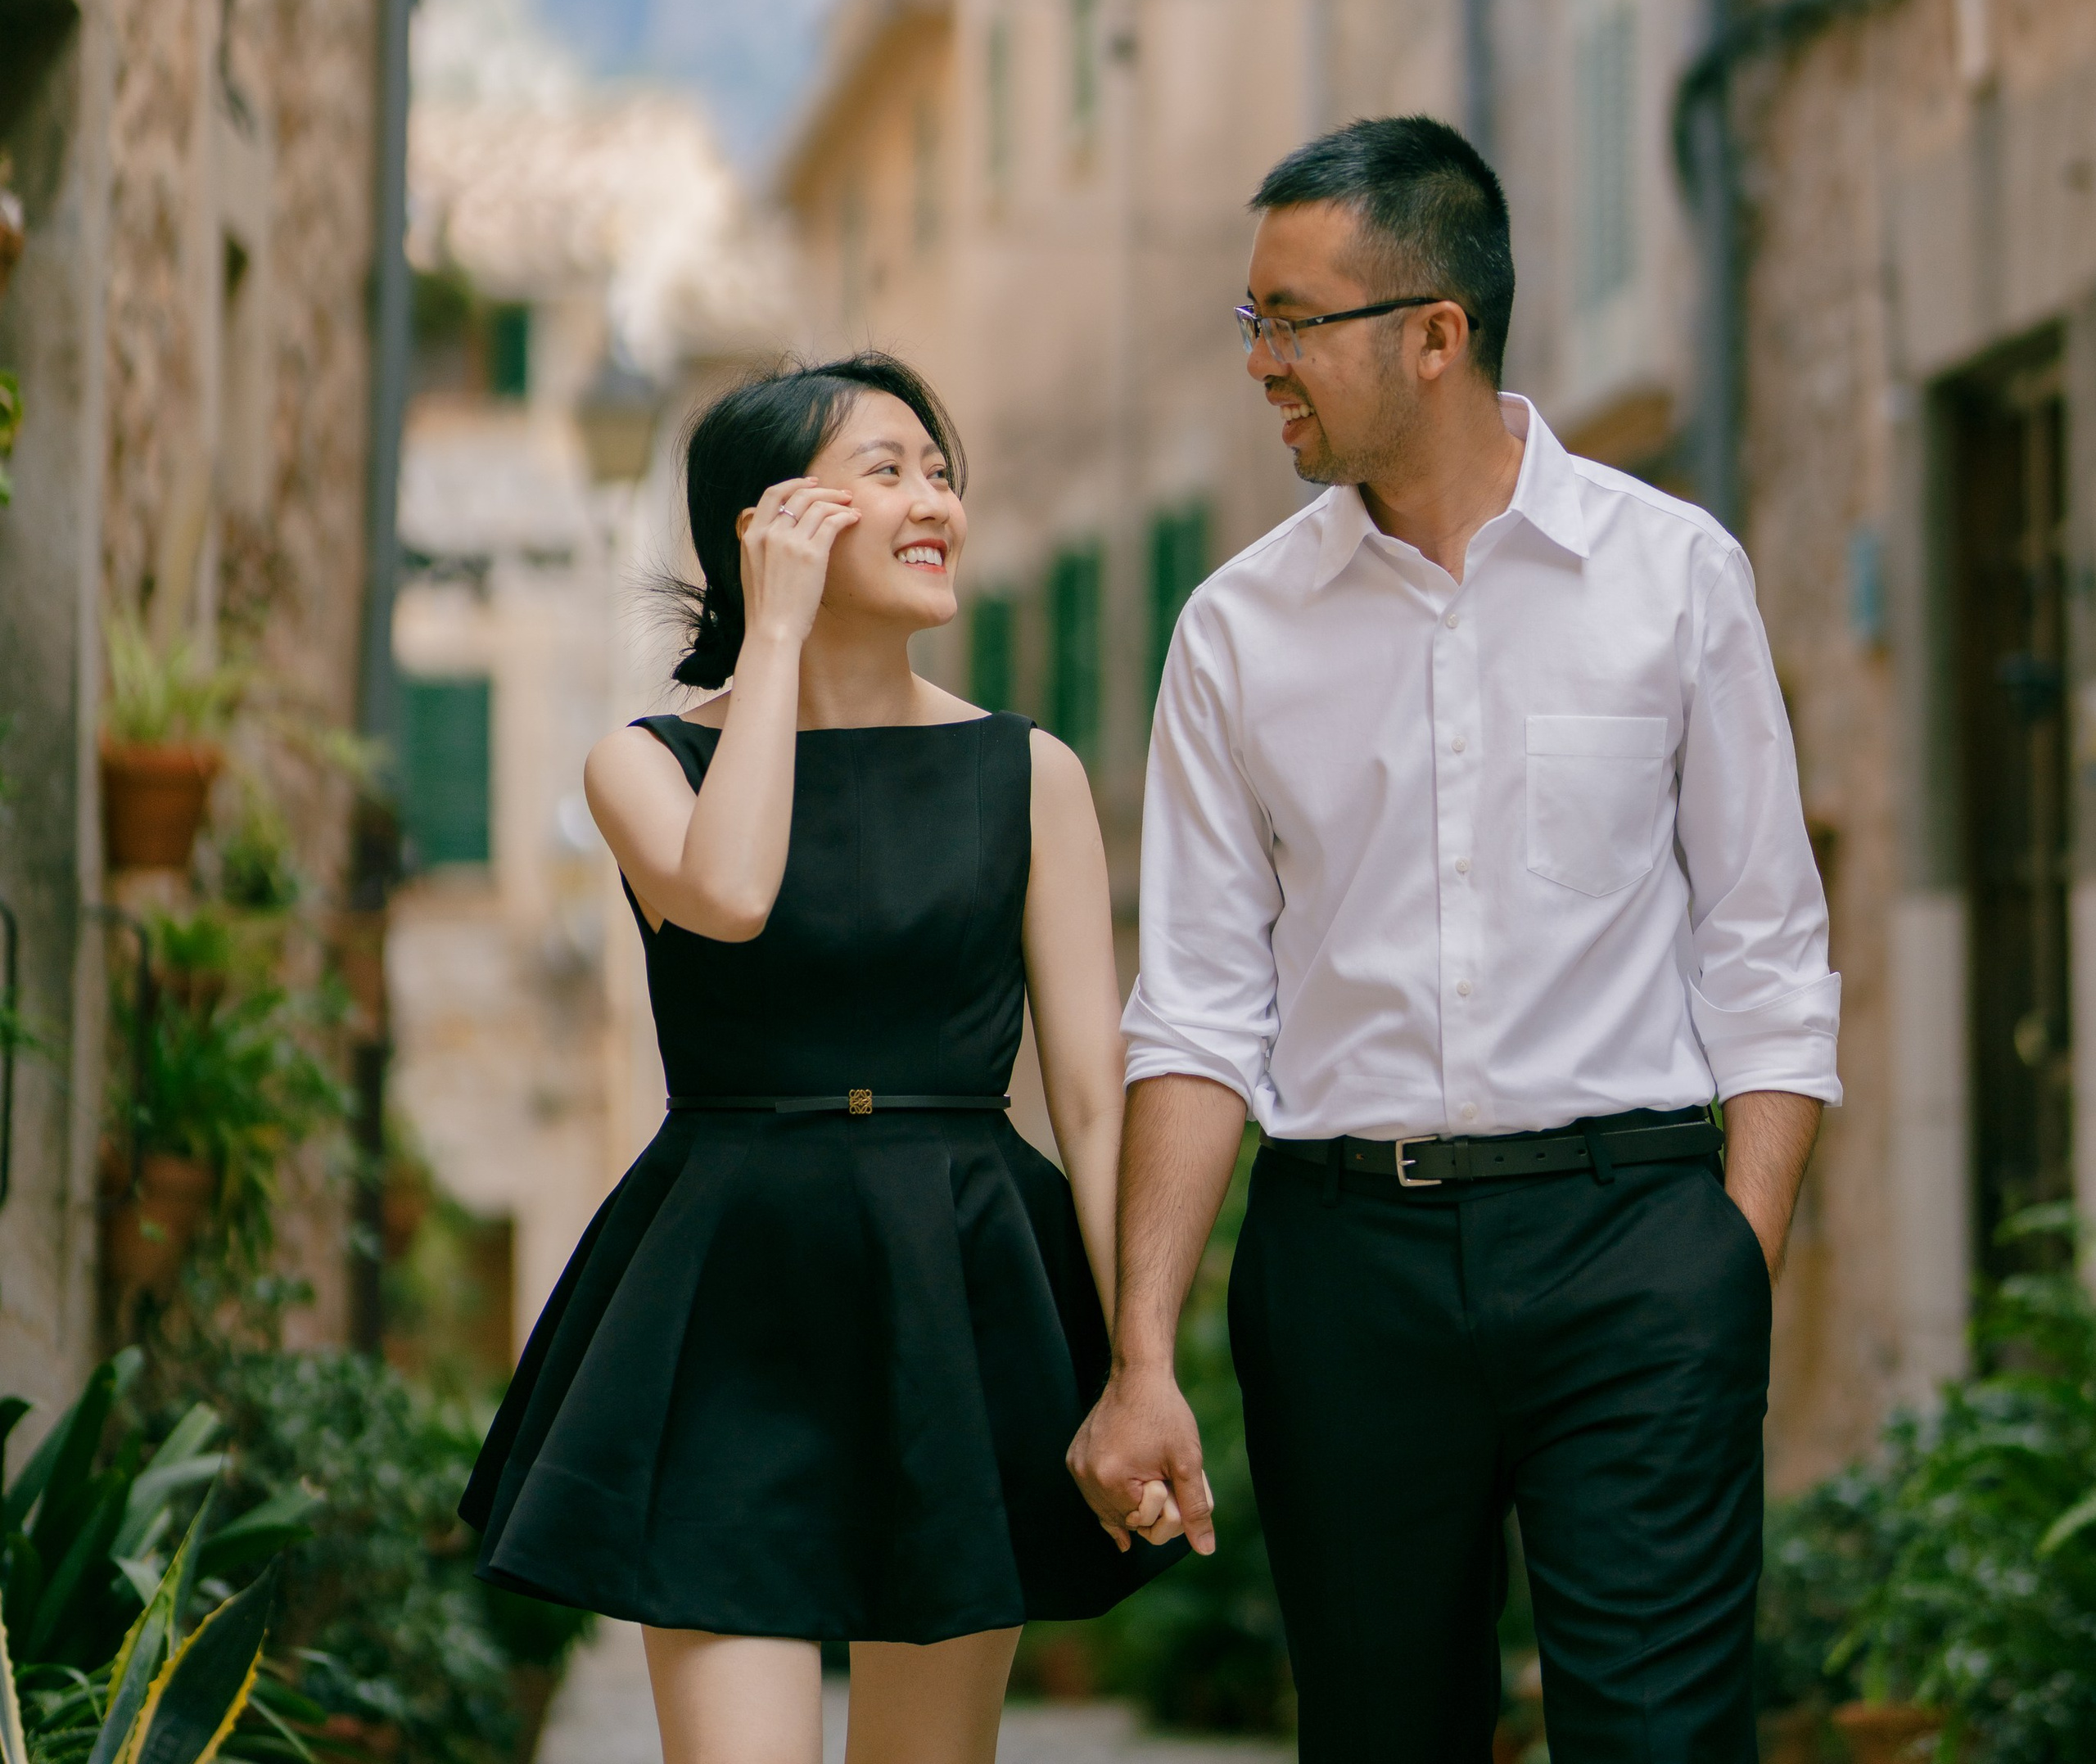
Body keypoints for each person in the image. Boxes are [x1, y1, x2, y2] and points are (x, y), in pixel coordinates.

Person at [1068, 117, 1841, 1764]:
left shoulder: (1671, 577)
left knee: (1657, 1742)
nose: (1260, 362)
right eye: (1250, 323)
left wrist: (1724, 1261)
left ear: (1434, 333)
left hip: (1632, 1242)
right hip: (1346, 1265)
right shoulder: (1233, 633)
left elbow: (1767, 951)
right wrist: (1143, 1351)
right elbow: (1196, 1013)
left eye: (1293, 320)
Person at [463, 352, 1183, 1764]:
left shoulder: (1025, 774)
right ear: (773, 522)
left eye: (939, 470)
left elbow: (1096, 1105)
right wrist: (775, 644)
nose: (937, 503)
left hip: (960, 1283)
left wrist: (1138, 1368)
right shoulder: (644, 762)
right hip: (730, 1287)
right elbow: (727, 900)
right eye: (888, 469)